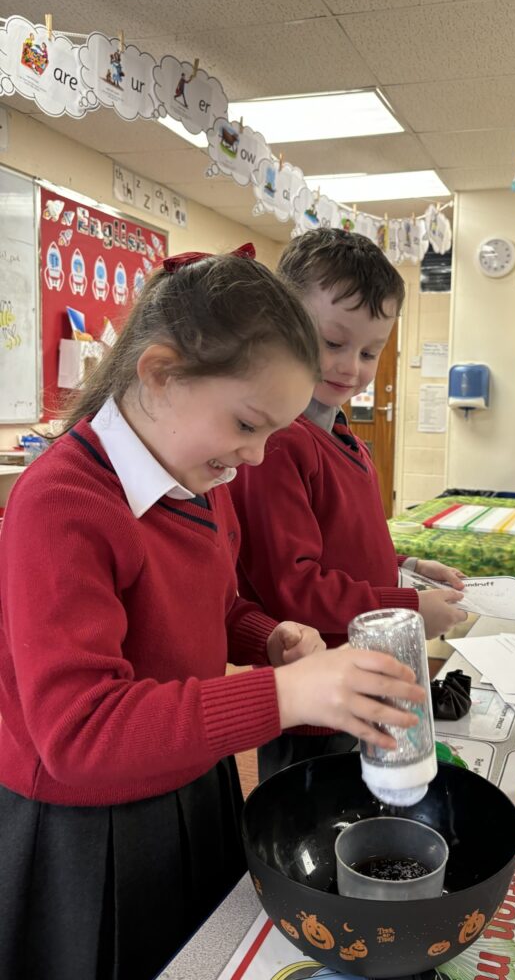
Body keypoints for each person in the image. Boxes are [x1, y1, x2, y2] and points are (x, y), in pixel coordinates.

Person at [0, 245, 425, 980]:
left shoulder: (200, 473)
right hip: (83, 824)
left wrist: (265, 636)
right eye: (247, 424)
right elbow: (79, 732)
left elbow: (213, 600)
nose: (257, 458)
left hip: (187, 776)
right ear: (161, 375)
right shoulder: (61, 504)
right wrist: (282, 695)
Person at [229, 228, 467, 778]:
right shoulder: (281, 443)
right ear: (286, 325)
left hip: (366, 673)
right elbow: (296, 585)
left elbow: (347, 545)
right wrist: (406, 610)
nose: (351, 367)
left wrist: (407, 571)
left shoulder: (346, 436)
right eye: (333, 343)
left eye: (369, 352)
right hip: (318, 699)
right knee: (319, 821)